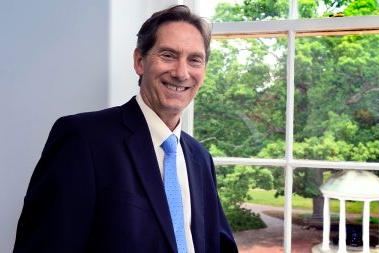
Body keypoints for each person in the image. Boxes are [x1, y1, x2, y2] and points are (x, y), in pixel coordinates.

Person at [13, 5, 238, 253]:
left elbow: (219, 243)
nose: (181, 72)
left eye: (194, 60)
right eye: (168, 55)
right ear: (140, 61)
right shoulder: (83, 139)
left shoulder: (200, 158)